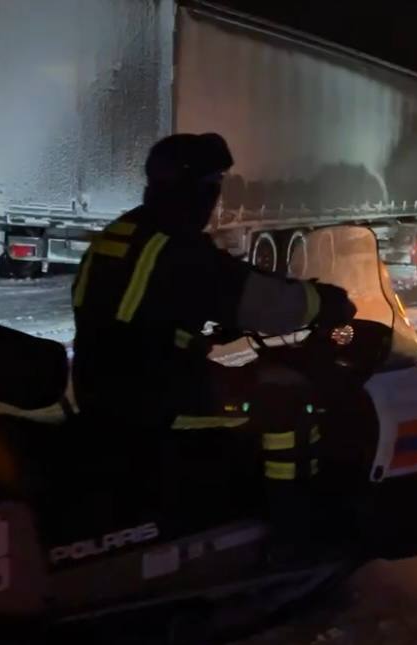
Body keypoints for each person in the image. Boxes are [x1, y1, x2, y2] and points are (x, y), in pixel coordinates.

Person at [70, 133, 355, 557]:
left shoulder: (126, 230)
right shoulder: (177, 246)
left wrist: (201, 333)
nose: (216, 197)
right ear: (196, 189)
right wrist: (327, 301)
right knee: (289, 404)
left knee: (237, 381)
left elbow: (139, 306)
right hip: (150, 398)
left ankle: (230, 496)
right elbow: (261, 301)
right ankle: (293, 536)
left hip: (103, 384)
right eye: (214, 184)